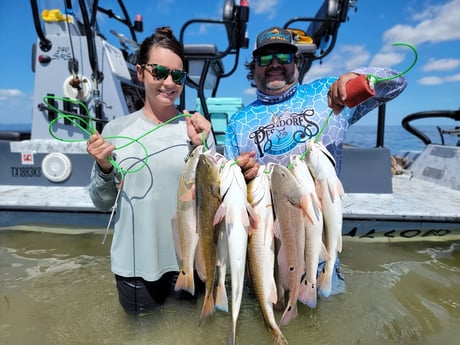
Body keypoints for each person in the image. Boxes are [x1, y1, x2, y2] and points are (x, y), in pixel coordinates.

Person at [225, 27, 407, 295]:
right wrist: (241, 173)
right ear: (253, 68)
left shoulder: (327, 93)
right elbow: (231, 196)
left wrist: (358, 77)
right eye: (264, 59)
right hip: (268, 247)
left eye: (284, 56)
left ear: (296, 62)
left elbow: (397, 83)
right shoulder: (238, 123)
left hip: (319, 244)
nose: (274, 64)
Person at [87, 27, 214, 314]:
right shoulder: (115, 131)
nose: (169, 82)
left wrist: (201, 150)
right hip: (134, 268)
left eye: (178, 76)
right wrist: (103, 167)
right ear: (140, 72)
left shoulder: (197, 130)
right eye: (159, 72)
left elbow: (212, 202)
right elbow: (102, 202)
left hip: (189, 264)